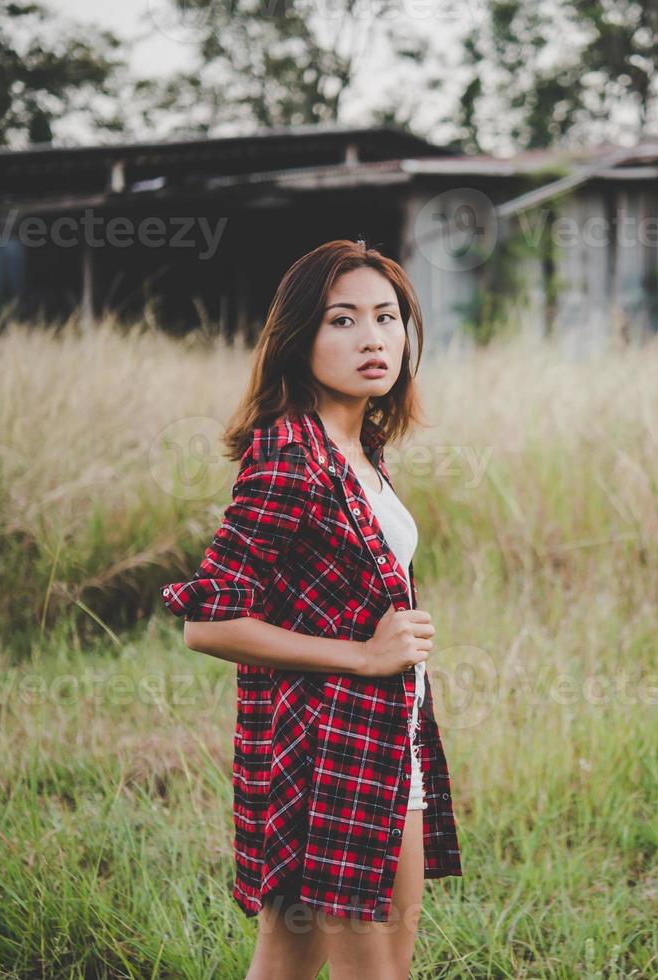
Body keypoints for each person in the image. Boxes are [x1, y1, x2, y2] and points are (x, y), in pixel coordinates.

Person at [159, 239, 463, 980]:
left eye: (387, 318)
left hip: (389, 740)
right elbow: (210, 622)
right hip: (331, 750)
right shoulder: (289, 456)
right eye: (343, 320)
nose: (372, 338)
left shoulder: (359, 449)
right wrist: (364, 655)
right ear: (298, 338)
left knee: (289, 959)